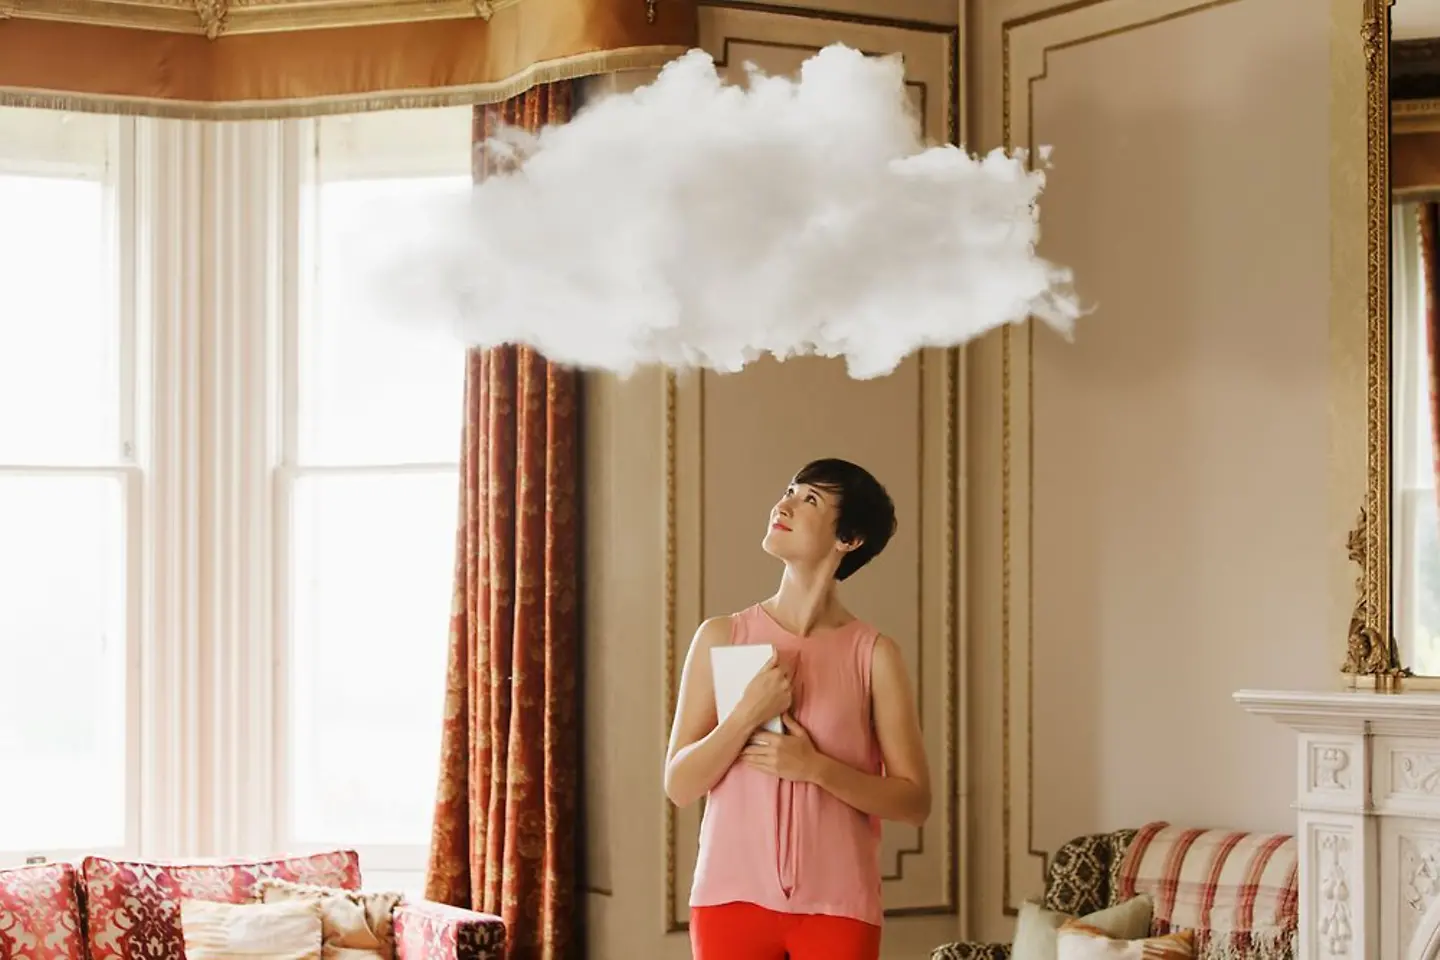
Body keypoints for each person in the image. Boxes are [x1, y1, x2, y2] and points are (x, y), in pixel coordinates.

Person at [664, 457, 931, 960]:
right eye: (789, 490)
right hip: (729, 900)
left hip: (839, 906)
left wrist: (814, 768)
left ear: (847, 538)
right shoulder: (721, 636)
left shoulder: (874, 655)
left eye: (810, 499)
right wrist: (745, 715)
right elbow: (679, 785)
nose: (783, 504)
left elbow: (914, 802)